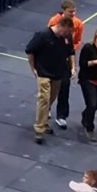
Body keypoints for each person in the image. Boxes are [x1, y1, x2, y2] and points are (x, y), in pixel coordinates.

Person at [24, 16, 73, 145]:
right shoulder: (42, 35)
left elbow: (70, 52)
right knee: (44, 99)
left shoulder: (67, 36)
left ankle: (44, 121)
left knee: (51, 99)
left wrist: (73, 67)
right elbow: (30, 51)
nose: (67, 35)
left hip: (58, 73)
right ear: (60, 26)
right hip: (43, 73)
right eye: (66, 31)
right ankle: (39, 129)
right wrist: (33, 68)